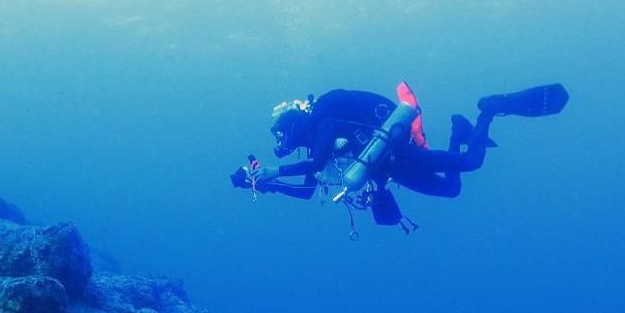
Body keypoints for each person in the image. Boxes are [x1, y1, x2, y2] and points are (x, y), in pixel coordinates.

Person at [230, 81, 568, 227]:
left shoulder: (324, 123)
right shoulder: (312, 142)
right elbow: (306, 192)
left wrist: (275, 170)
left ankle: (490, 110)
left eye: (281, 135)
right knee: (452, 189)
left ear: (292, 125)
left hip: (397, 156)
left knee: (471, 163)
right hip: (391, 168)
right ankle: (459, 131)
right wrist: (261, 185)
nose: (282, 143)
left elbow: (316, 164)